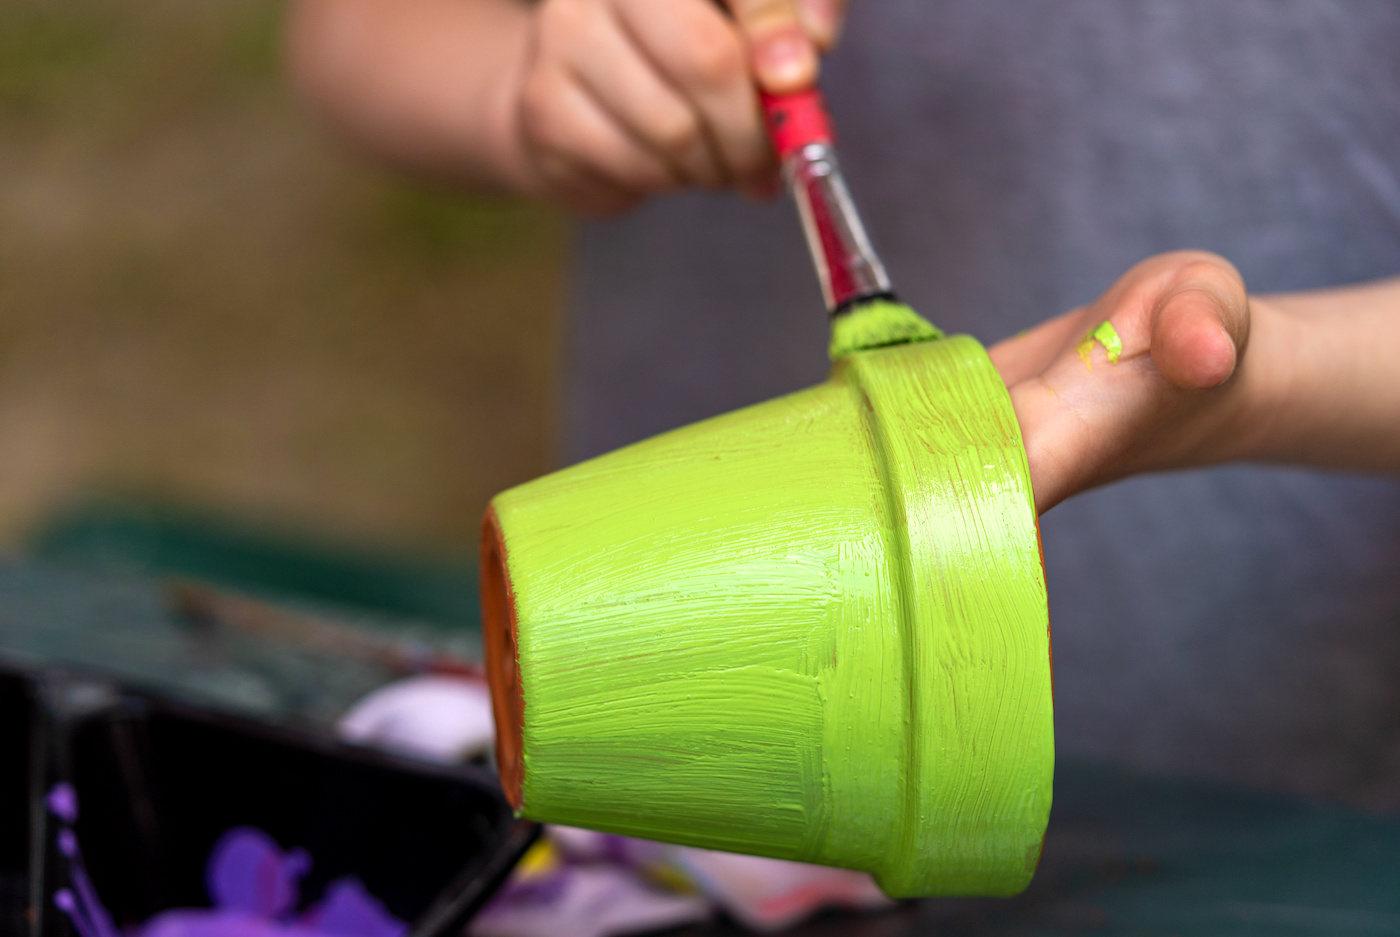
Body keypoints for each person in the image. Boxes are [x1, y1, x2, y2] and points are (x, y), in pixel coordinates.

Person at [286, 0, 1400, 806]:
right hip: (656, 694)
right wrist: (528, 91)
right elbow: (357, 31)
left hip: (1276, 806)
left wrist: (1270, 380)